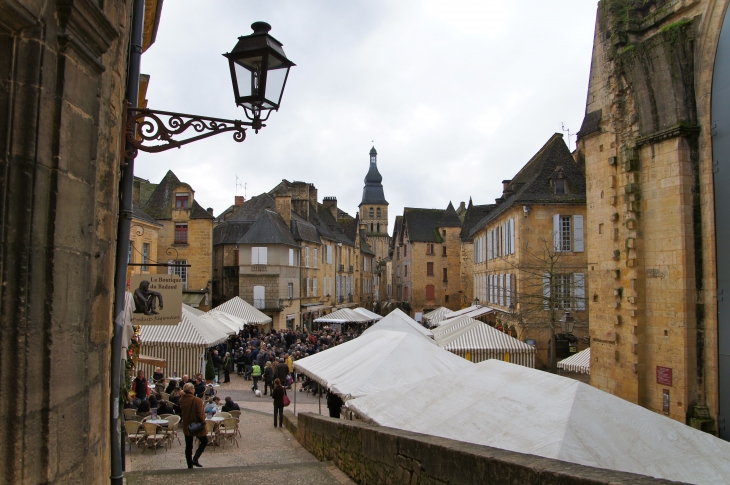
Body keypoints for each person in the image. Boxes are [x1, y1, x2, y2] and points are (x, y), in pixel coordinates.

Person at [180, 382, 207, 469]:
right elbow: (201, 414)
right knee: (204, 441)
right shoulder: (197, 400)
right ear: (191, 390)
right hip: (197, 425)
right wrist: (203, 422)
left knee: (188, 446)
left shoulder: (182, 400)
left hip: (187, 425)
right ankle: (195, 458)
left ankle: (189, 464)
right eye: (193, 389)